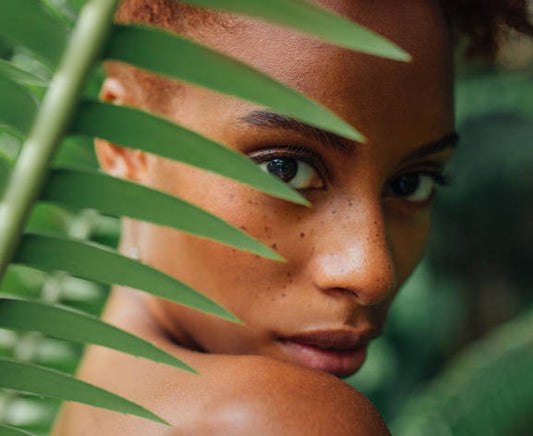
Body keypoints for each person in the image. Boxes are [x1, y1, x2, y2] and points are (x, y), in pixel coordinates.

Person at [52, 0, 533, 434]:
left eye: (412, 183)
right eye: (284, 169)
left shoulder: (87, 414)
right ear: (129, 143)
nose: (372, 273)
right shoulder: (282, 421)